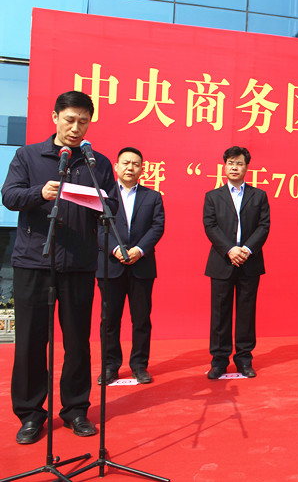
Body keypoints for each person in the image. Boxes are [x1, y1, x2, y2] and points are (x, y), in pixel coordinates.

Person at [2, 91, 117, 444]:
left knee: (77, 341)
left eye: (83, 121)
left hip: (79, 263)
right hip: (34, 261)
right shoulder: (28, 156)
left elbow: (111, 204)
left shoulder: (97, 162)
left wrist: (99, 203)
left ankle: (75, 410)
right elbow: (10, 196)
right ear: (55, 117)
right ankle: (30, 415)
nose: (76, 127)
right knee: (31, 342)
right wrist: (40, 193)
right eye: (70, 120)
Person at [96, 147, 165, 385]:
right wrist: (115, 249)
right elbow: (97, 227)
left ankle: (139, 365)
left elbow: (157, 226)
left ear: (142, 169)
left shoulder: (152, 196)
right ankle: (109, 366)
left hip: (141, 265)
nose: (130, 167)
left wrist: (139, 250)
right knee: (109, 320)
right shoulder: (103, 196)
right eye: (125, 163)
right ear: (116, 167)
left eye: (135, 164)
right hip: (110, 266)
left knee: (141, 319)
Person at [203, 146, 270, 379]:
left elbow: (264, 226)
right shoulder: (213, 197)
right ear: (224, 166)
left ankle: (244, 359)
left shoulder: (258, 196)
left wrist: (246, 250)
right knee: (220, 314)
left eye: (239, 163)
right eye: (230, 163)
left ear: (246, 167)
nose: (234, 167)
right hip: (222, 261)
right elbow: (210, 226)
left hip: (249, 262)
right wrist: (230, 249)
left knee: (246, 313)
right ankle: (219, 361)